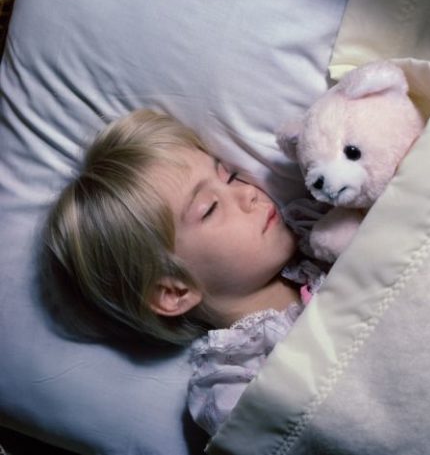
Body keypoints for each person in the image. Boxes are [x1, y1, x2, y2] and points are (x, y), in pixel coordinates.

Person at [43, 109, 325, 435]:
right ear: (174, 291)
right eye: (210, 208)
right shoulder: (234, 387)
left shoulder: (325, 239)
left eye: (230, 176)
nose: (248, 192)